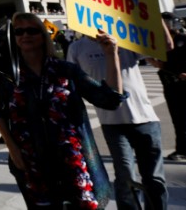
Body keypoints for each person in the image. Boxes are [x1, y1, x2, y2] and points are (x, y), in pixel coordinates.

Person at [0, 13, 124, 209]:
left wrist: (111, 54)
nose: (25, 35)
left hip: (73, 159)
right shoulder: (8, 77)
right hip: (32, 161)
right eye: (19, 32)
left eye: (32, 30)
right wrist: (13, 150)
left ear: (43, 36)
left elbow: (110, 99)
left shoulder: (66, 70)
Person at [68, 32, 169, 209]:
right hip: (112, 124)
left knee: (154, 178)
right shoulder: (77, 48)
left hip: (146, 119)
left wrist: (157, 11)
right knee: (125, 176)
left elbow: (165, 46)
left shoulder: (124, 37)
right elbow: (70, 82)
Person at [158, 13, 186, 161]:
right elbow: (160, 64)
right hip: (171, 85)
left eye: (167, 22)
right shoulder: (159, 42)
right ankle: (183, 150)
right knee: (179, 120)